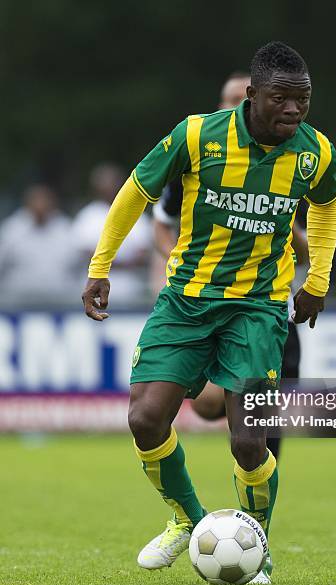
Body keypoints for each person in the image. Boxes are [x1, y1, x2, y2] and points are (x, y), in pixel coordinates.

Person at [82, 41, 336, 585]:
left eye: (303, 101)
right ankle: (191, 520)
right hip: (186, 300)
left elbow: (326, 204)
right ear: (251, 96)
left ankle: (258, 550)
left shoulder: (315, 151)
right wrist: (100, 265)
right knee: (145, 418)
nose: (293, 111)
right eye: (281, 100)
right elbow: (136, 191)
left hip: (259, 308)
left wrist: (316, 280)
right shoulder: (198, 135)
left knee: (250, 439)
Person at [152, 71, 308, 460]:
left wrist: (282, 227)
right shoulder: (200, 155)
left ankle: (256, 514)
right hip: (203, 298)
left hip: (268, 307)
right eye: (230, 99)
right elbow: (161, 220)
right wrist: (179, 262)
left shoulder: (293, 161)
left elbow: (307, 250)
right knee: (206, 405)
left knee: (263, 423)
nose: (239, 106)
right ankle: (230, 394)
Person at [72, 163, 152, 305]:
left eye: (112, 182)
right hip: (93, 289)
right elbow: (85, 253)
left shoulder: (136, 212)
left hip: (131, 289)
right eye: (104, 183)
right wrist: (121, 262)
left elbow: (143, 254)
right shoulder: (87, 215)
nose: (109, 187)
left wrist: (104, 262)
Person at [0, 184, 76, 305]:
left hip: (60, 302)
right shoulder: (12, 230)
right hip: (18, 304)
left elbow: (78, 266)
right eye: (36, 200)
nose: (40, 205)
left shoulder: (65, 229)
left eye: (45, 201)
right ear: (27, 203)